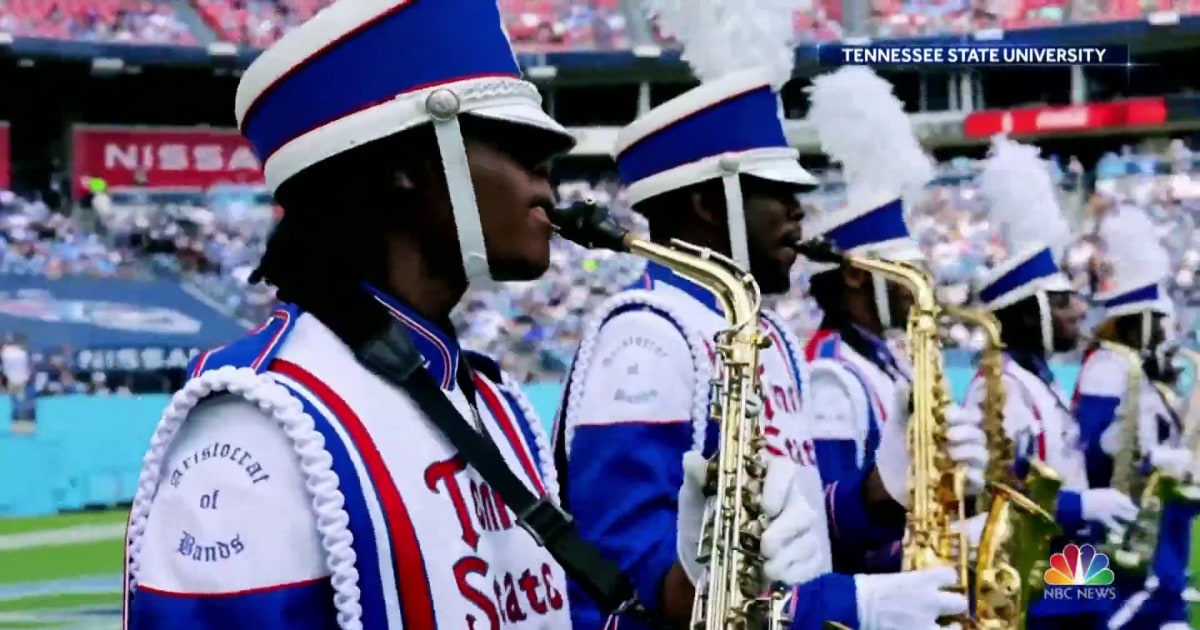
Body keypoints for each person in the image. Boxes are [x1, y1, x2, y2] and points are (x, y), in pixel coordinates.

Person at [117, 1, 717, 628]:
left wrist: (686, 586)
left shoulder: (489, 398)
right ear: (402, 170)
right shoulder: (262, 422)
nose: (548, 183)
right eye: (521, 151)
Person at [553, 12, 980, 627]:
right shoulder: (646, 333)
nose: (799, 215)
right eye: (777, 192)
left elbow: (792, 537)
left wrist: (879, 493)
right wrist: (850, 607)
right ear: (707, 201)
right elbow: (627, 578)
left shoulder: (762, 331)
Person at [798, 67, 989, 575]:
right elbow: (826, 525)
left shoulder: (886, 361)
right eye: (910, 271)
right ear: (860, 276)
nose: (922, 285)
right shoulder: (829, 375)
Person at [959, 136, 1137, 628]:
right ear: (1027, 314)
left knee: (1089, 621)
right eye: (1060, 303)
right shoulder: (998, 386)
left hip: (1072, 554)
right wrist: (1084, 502)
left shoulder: (1039, 380)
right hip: (1029, 569)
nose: (1079, 311)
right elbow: (1000, 488)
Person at [1072, 205, 1198, 630]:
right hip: (1113, 534)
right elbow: (1091, 450)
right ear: (1141, 322)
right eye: (1160, 325)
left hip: (1149, 531)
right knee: (1091, 617)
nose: (1168, 335)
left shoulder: (1135, 369)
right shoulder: (1110, 366)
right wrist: (1152, 461)